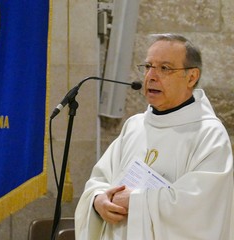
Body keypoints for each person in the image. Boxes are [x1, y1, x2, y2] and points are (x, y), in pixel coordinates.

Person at [75, 33, 233, 240]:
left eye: (164, 68)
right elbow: (100, 180)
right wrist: (98, 201)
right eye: (148, 66)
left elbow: (201, 208)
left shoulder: (209, 134)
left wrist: (136, 201)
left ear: (192, 77)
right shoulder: (134, 126)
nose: (151, 76)